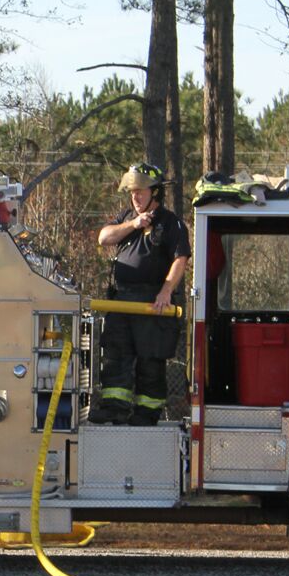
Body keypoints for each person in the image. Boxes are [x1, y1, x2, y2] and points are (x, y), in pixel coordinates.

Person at [90, 162, 191, 426]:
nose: (135, 197)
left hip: (152, 303)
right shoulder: (127, 218)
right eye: (132, 192)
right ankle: (114, 408)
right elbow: (103, 238)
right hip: (122, 301)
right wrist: (134, 224)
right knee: (116, 355)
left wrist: (165, 292)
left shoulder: (171, 224)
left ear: (155, 193)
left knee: (150, 360)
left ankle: (147, 413)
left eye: (141, 192)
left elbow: (180, 259)